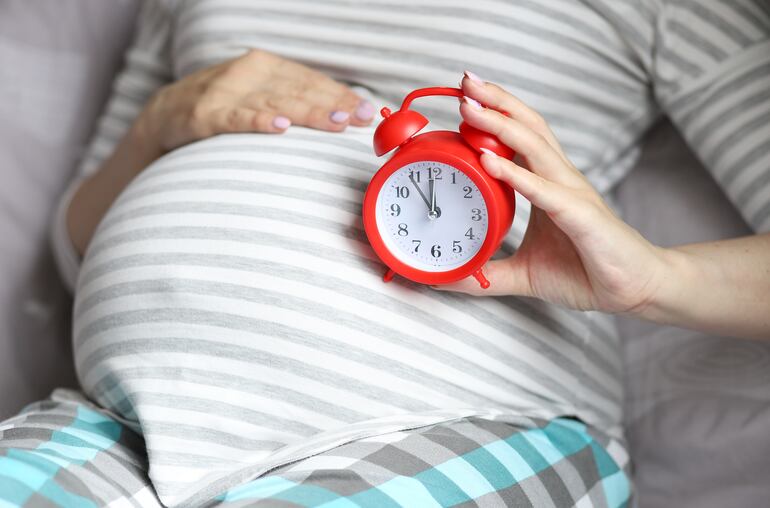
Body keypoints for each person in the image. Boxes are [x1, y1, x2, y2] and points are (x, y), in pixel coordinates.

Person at [1, 0, 768, 506]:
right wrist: (157, 125)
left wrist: (656, 278)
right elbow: (74, 252)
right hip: (124, 421)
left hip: (463, 421)